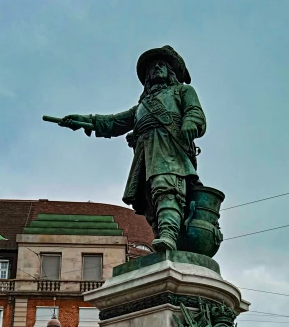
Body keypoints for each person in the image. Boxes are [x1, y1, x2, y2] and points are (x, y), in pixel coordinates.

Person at [57, 46, 206, 253]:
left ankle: (169, 235)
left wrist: (190, 122)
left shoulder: (182, 91)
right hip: (145, 154)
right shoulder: (141, 106)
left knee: (167, 189)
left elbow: (195, 112)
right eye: (152, 67)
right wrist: (82, 121)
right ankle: (161, 237)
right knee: (149, 201)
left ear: (171, 71)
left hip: (169, 149)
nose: (155, 68)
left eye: (161, 64)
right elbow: (113, 122)